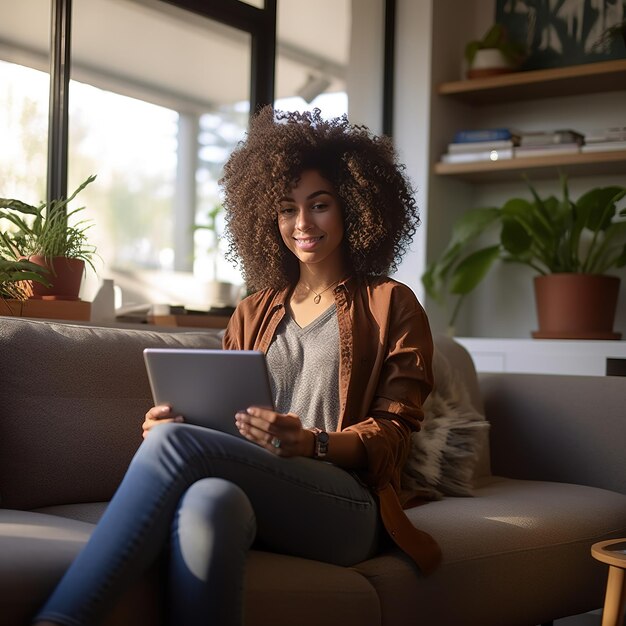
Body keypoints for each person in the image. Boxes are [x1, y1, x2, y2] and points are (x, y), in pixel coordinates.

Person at [33, 106, 441, 626]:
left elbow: (396, 433)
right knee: (209, 503)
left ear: (355, 208)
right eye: (286, 209)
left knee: (178, 452)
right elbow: (227, 418)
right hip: (263, 488)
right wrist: (176, 423)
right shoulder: (252, 311)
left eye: (319, 205)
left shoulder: (392, 304)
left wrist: (311, 442)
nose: (301, 224)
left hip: (347, 506)